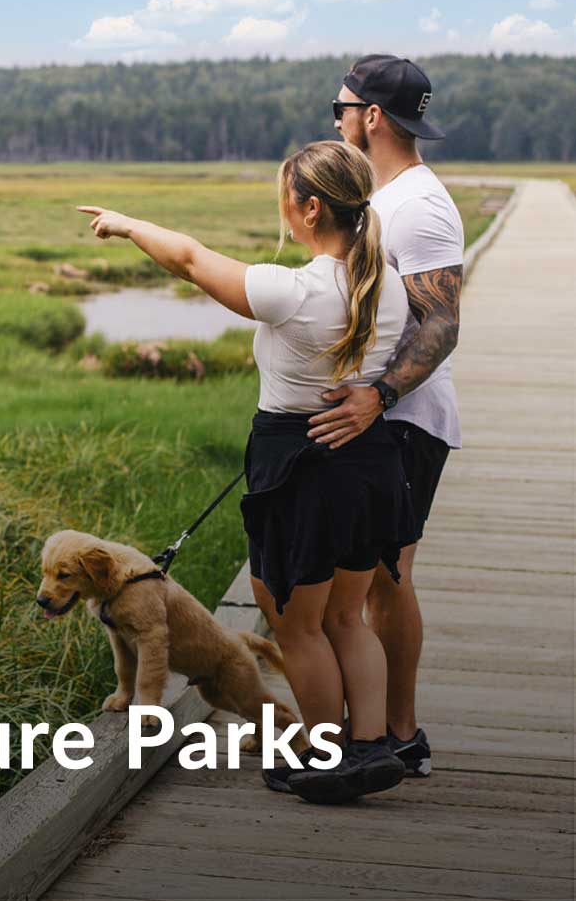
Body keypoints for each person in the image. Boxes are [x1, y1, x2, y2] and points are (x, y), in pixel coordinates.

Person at [77, 140, 417, 804]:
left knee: (298, 624)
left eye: (287, 200)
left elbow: (190, 259)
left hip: (300, 462)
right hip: (369, 459)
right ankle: (371, 745)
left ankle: (324, 756)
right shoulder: (389, 286)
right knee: (349, 617)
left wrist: (127, 224)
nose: (285, 212)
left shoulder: (294, 290)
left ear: (311, 207)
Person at [309, 56, 464, 778]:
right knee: (370, 577)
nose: (334, 119)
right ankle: (375, 725)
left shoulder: (420, 205)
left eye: (340, 106)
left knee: (386, 578)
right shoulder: (381, 195)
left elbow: (439, 325)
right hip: (376, 416)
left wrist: (380, 396)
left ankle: (398, 732)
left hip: (403, 419)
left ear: (371, 116)